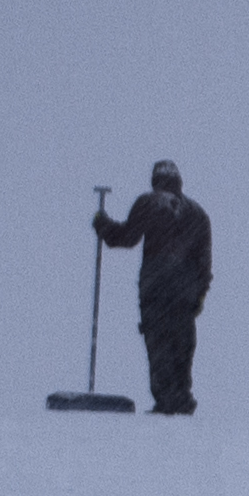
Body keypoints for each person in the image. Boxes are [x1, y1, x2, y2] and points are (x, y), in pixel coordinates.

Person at [92, 159, 214, 416]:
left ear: (155, 180)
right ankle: (181, 401)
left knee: (159, 346)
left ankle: (166, 403)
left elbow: (124, 238)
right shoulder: (198, 214)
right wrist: (199, 294)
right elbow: (204, 264)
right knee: (182, 347)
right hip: (185, 295)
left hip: (156, 290)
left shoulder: (150, 203)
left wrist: (102, 223)